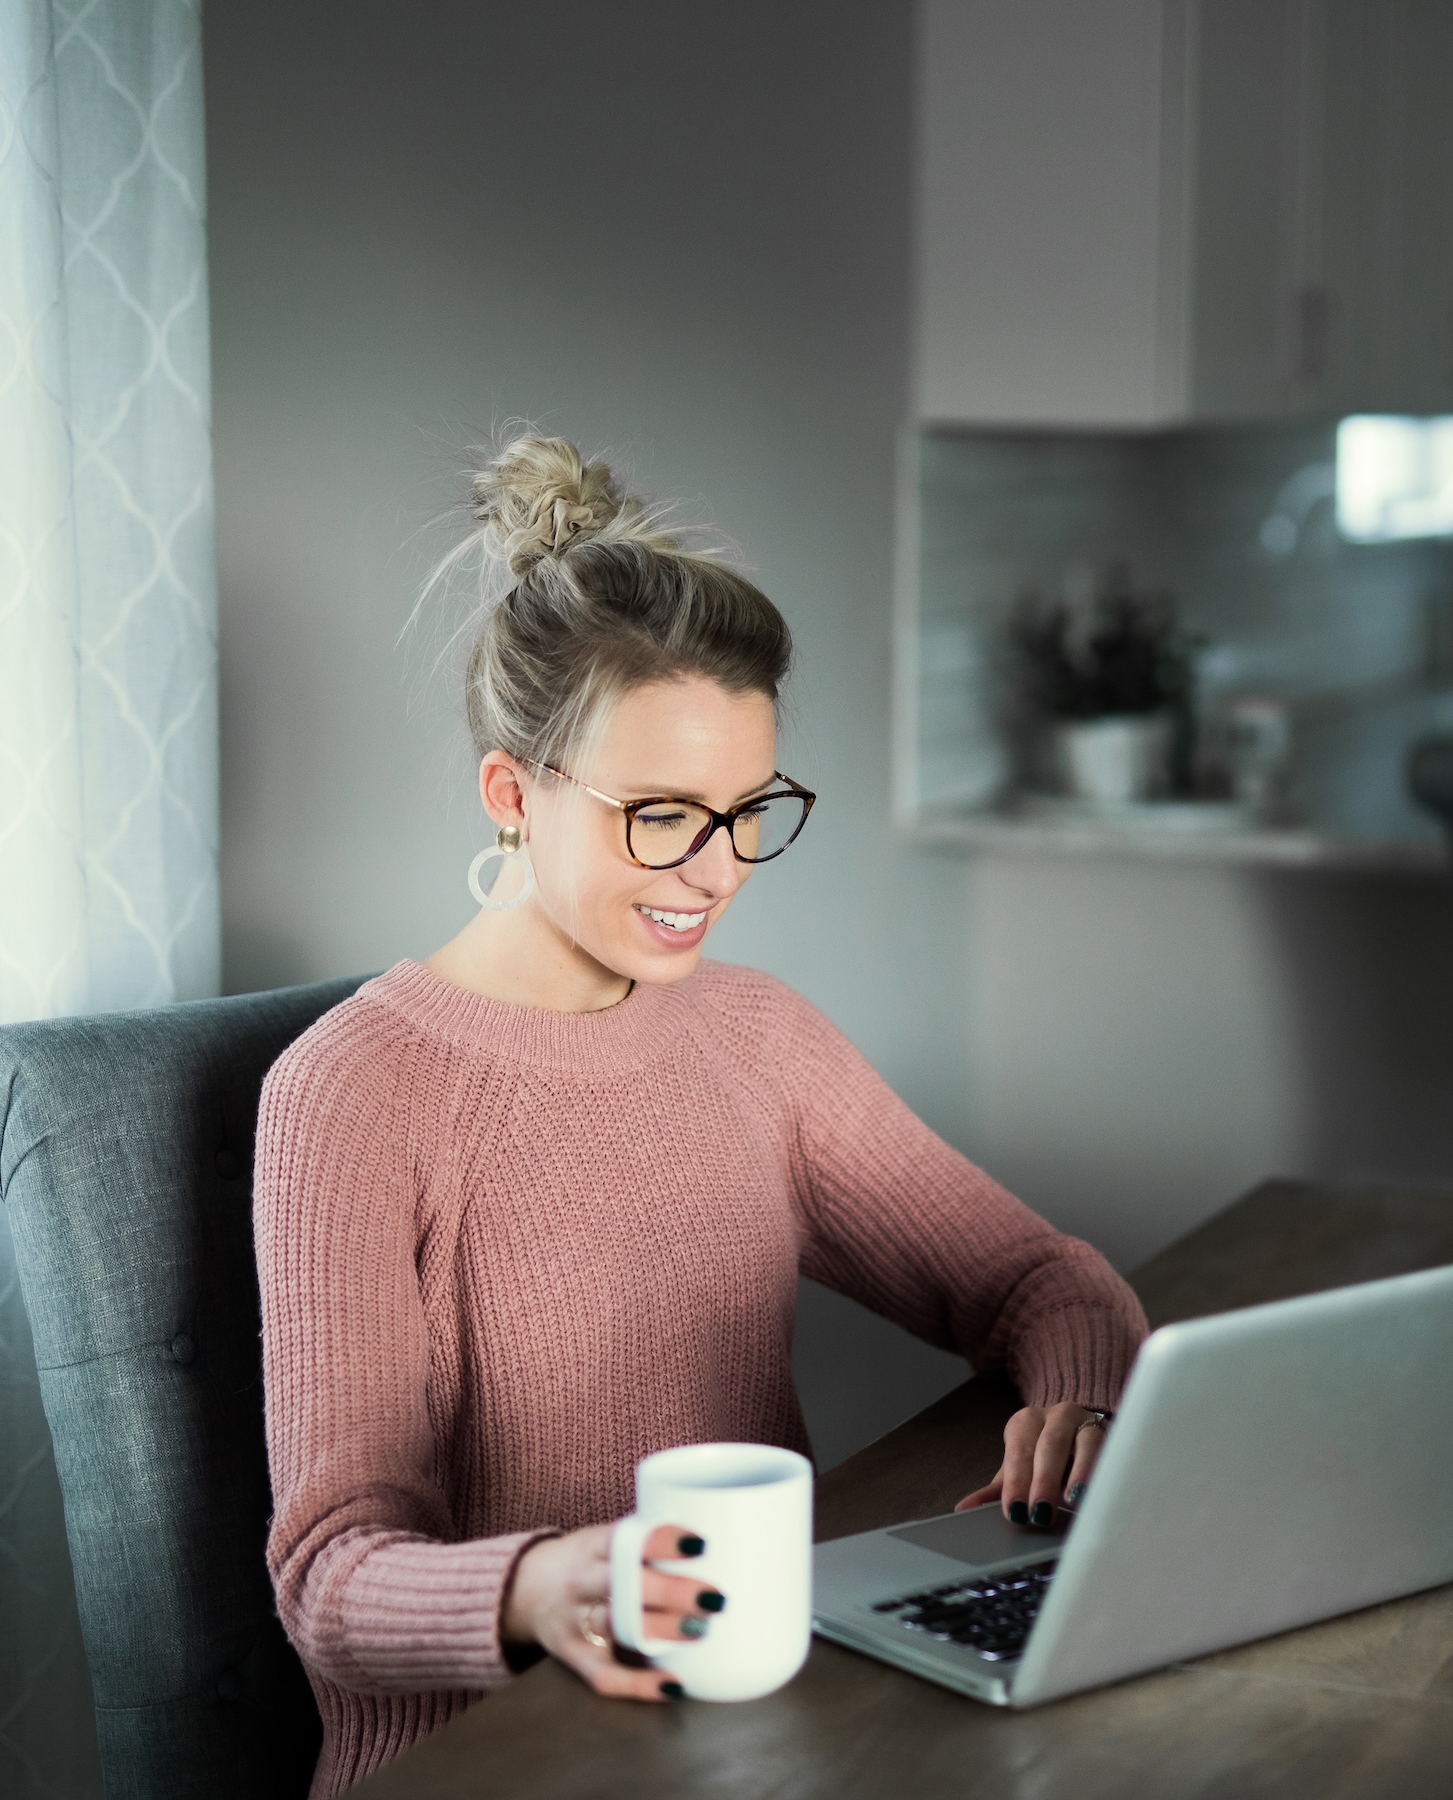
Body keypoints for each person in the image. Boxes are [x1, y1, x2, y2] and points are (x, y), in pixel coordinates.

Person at [253, 434, 1148, 1795]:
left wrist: (1080, 1397)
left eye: (748, 813)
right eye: (660, 816)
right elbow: (329, 1580)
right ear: (512, 795)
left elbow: (1035, 1277)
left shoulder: (754, 1035)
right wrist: (538, 1587)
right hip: (495, 1765)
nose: (715, 872)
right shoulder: (352, 1093)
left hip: (752, 1737)